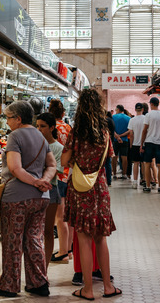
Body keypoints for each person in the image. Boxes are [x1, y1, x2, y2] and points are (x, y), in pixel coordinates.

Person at [0, 101, 56, 298]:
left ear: (18, 118)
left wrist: (35, 182)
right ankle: (39, 283)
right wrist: (43, 181)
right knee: (34, 239)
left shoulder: (15, 136)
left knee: (12, 241)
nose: (7, 122)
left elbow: (15, 169)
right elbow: (52, 165)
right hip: (41, 198)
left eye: (8, 117)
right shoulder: (41, 136)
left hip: (17, 198)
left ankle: (9, 285)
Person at [62, 89, 120, 300]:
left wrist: (78, 160)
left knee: (83, 239)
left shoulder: (75, 133)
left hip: (79, 189)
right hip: (100, 188)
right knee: (100, 240)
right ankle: (107, 286)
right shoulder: (105, 133)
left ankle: (87, 289)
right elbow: (110, 157)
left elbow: (64, 161)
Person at [36, 112, 64, 269]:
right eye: (37, 126)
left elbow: (58, 170)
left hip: (51, 191)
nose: (39, 129)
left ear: (52, 128)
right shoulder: (34, 144)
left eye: (43, 126)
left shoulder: (58, 148)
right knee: (32, 232)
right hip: (32, 190)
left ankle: (44, 268)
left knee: (47, 231)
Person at [47, 99, 72, 263]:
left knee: (59, 216)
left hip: (56, 174)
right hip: (68, 173)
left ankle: (63, 251)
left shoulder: (48, 129)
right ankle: (68, 249)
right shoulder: (68, 127)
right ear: (63, 113)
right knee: (67, 216)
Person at [140, 97, 160, 193]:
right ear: (158, 104)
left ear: (151, 104)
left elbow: (144, 130)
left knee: (147, 164)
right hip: (159, 143)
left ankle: (148, 186)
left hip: (149, 142)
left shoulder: (148, 115)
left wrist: (141, 144)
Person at [127, 103, 145, 189]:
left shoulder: (132, 120)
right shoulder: (146, 119)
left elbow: (131, 133)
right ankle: (144, 180)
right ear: (142, 109)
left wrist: (131, 144)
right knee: (144, 163)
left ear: (135, 110)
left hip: (135, 144)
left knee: (135, 164)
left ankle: (134, 182)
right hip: (144, 144)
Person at [111, 105, 131, 180]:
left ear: (118, 109)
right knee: (124, 157)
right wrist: (122, 135)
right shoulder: (128, 118)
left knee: (114, 157)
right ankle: (124, 174)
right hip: (125, 140)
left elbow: (111, 129)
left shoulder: (113, 117)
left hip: (115, 140)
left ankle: (114, 174)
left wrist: (117, 136)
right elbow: (130, 130)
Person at [104, 112, 115, 186]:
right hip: (110, 142)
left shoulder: (104, 121)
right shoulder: (111, 120)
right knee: (108, 162)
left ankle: (104, 180)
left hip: (103, 143)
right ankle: (109, 181)